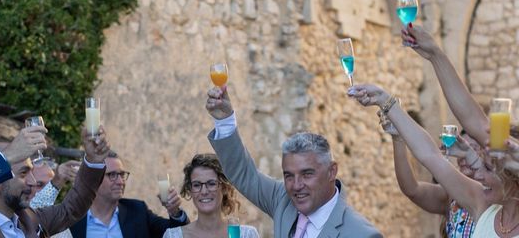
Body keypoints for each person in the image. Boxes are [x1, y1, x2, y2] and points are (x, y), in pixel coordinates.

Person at [205, 86, 382, 237]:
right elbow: (243, 173)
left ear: (332, 171)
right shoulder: (282, 199)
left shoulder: (362, 234)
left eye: (307, 174)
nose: (296, 185)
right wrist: (225, 121)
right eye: (289, 176)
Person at [349, 83, 517, 238]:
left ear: (513, 172)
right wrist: (384, 100)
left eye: (487, 167)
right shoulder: (484, 206)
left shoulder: (483, 201)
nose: (479, 174)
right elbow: (429, 156)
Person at [0, 126, 110, 237]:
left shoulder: (30, 218)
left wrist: (93, 161)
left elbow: (72, 208)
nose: (33, 181)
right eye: (24, 173)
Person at [379, 112, 478, 237]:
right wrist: (398, 138)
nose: (464, 156)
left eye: (472, 149)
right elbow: (412, 189)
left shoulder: (497, 198)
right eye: (461, 149)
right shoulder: (452, 196)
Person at [69, 150, 188, 238]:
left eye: (122, 175)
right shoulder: (72, 218)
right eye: (112, 175)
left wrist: (175, 212)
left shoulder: (137, 211)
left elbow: (178, 234)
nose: (121, 182)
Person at [162, 153, 259, 238]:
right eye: (197, 185)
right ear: (190, 190)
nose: (204, 191)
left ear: (224, 188)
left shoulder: (246, 235)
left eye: (211, 183)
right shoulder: (173, 236)